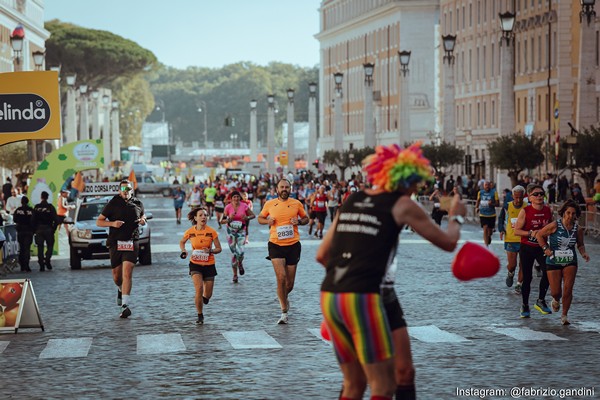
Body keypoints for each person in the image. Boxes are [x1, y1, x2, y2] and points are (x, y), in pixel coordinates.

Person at [317, 143, 466, 400]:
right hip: (363, 296)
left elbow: (322, 255)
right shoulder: (402, 204)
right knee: (383, 387)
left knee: (361, 382)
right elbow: (448, 242)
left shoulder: (352, 199)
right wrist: (456, 216)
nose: (416, 189)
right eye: (416, 183)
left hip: (332, 294)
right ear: (407, 179)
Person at [257, 178, 309, 325]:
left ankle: (283, 296)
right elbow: (260, 218)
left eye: (287, 187)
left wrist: (298, 222)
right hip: (275, 244)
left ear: (290, 189)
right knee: (281, 277)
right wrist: (268, 221)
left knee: (289, 284)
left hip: (293, 245)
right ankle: (284, 311)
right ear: (277, 189)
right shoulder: (270, 204)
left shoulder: (296, 203)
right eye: (282, 187)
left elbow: (306, 218)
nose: (284, 189)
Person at [96, 180, 147, 319]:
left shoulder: (138, 203)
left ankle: (125, 305)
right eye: (123, 189)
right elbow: (99, 221)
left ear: (132, 190)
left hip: (131, 241)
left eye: (128, 188)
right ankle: (120, 289)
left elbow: (143, 216)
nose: (125, 191)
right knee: (117, 276)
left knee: (127, 273)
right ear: (119, 190)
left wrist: (143, 220)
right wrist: (113, 223)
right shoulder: (113, 203)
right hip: (115, 242)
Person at [535, 199, 590, 325]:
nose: (571, 216)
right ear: (563, 213)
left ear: (576, 215)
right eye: (568, 213)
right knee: (556, 291)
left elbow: (580, 244)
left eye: (573, 213)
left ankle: (564, 316)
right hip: (553, 260)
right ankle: (555, 299)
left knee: (568, 289)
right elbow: (539, 235)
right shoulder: (555, 225)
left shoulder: (578, 229)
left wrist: (583, 253)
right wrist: (545, 249)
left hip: (570, 260)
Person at [513, 183, 553, 318]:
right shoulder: (525, 211)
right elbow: (516, 230)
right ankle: (524, 305)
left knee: (548, 271)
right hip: (527, 248)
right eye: (536, 194)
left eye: (542, 194)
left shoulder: (548, 210)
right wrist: (531, 233)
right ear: (529, 198)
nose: (539, 196)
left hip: (542, 247)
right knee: (528, 277)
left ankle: (541, 300)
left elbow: (552, 227)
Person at [180, 207, 222, 324]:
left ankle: (204, 298)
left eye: (205, 215)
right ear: (195, 218)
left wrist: (211, 251)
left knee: (207, 295)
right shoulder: (190, 232)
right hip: (195, 264)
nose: (204, 217)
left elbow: (219, 248)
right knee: (199, 289)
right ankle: (200, 315)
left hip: (209, 265)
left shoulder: (212, 232)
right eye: (201, 215)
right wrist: (184, 251)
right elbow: (182, 241)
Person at [498, 185, 526, 294]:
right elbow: (500, 219)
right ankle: (510, 273)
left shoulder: (527, 206)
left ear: (523, 196)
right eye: (516, 197)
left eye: (520, 197)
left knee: (523, 264)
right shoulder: (507, 206)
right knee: (512, 264)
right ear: (513, 196)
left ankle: (519, 284)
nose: (518, 200)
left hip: (524, 239)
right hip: (510, 238)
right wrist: (501, 229)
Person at [222, 191, 255, 283]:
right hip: (230, 232)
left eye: (237, 197)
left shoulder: (244, 206)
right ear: (231, 198)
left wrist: (247, 218)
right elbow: (222, 221)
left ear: (240, 198)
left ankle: (240, 263)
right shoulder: (228, 207)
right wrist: (229, 219)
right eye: (234, 197)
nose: (236, 199)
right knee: (234, 253)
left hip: (241, 231)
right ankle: (235, 275)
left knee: (240, 252)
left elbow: (253, 215)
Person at [31, 191, 58, 271]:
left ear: (41, 197)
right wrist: (53, 229)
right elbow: (56, 220)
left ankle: (41, 264)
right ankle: (47, 259)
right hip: (48, 228)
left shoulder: (36, 207)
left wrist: (34, 229)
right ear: (47, 197)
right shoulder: (50, 207)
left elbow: (32, 220)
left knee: (40, 247)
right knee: (50, 245)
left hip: (39, 229)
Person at [475, 180, 498, 247]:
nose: (487, 186)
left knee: (490, 231)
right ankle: (486, 246)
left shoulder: (494, 192)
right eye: (486, 185)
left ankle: (489, 236)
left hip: (491, 214)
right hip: (483, 214)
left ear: (490, 185)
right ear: (483, 186)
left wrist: (492, 204)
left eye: (488, 185)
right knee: (485, 228)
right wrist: (477, 208)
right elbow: (478, 201)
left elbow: (497, 204)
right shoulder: (480, 192)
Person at [13, 196, 34, 272]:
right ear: (28, 201)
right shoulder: (31, 210)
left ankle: (22, 265)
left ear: (21, 202)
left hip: (21, 231)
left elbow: (14, 219)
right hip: (28, 231)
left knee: (21, 248)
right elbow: (34, 220)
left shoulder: (18, 210)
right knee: (27, 248)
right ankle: (27, 265)